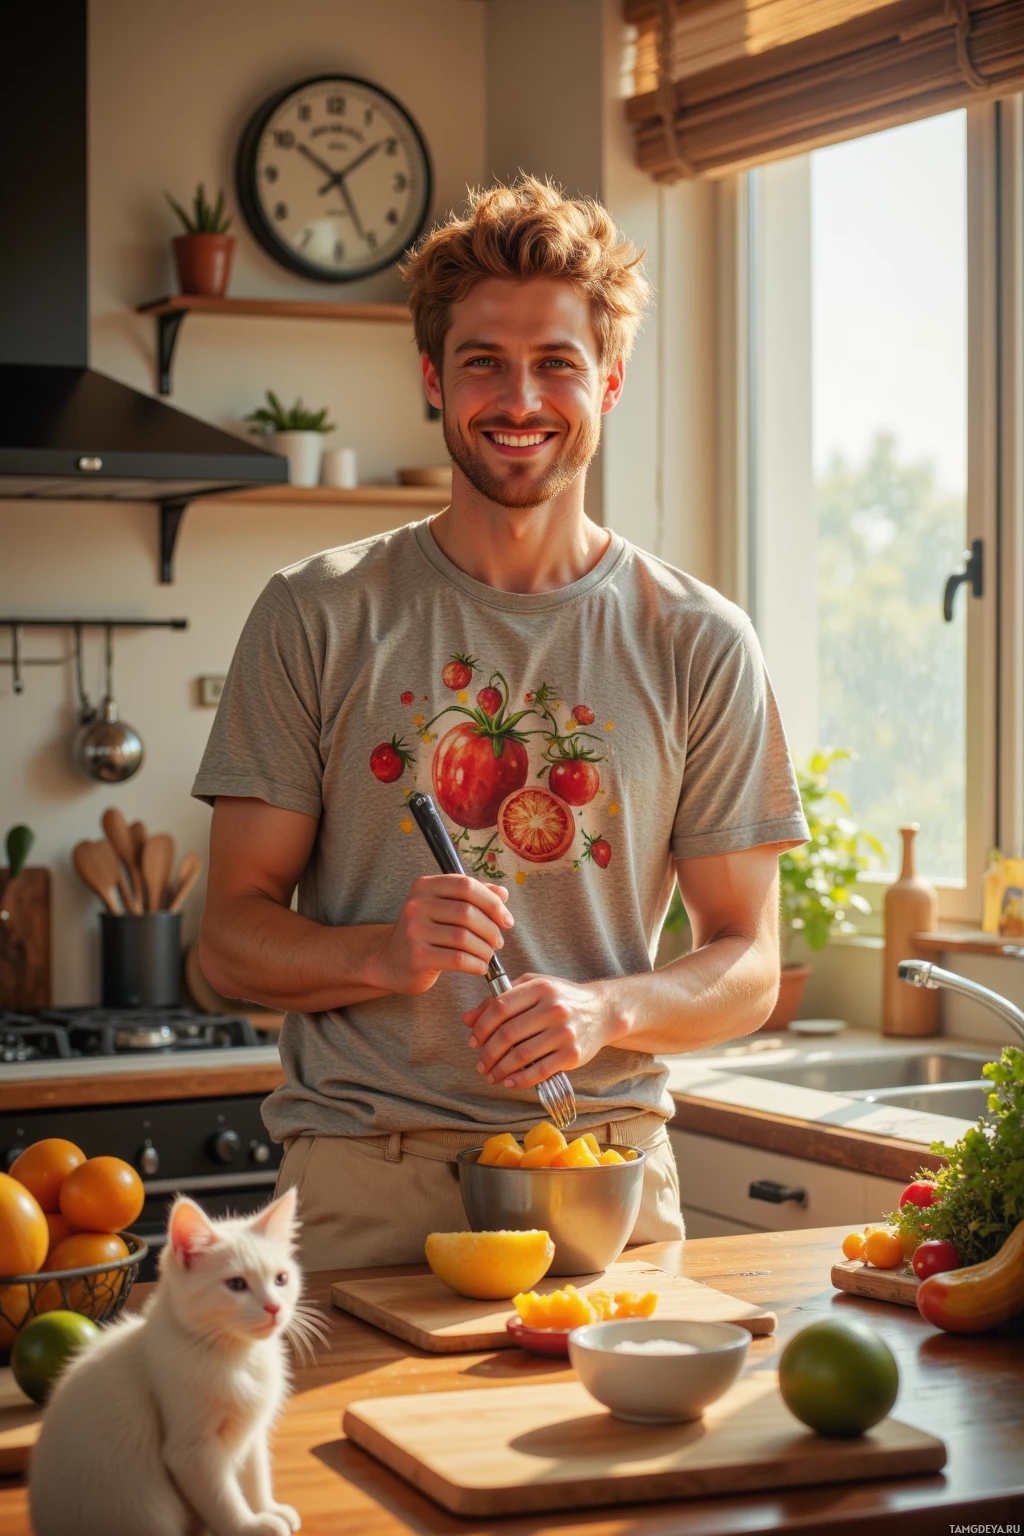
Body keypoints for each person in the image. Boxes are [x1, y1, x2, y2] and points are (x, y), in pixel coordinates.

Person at [193, 177, 808, 1272]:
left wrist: (607, 1011)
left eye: (556, 363)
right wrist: (383, 954)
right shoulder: (316, 611)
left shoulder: (701, 640)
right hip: (361, 1179)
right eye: (483, 360)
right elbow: (230, 940)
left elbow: (751, 964)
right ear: (432, 378)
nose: (518, 397)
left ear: (608, 382)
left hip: (599, 1175)